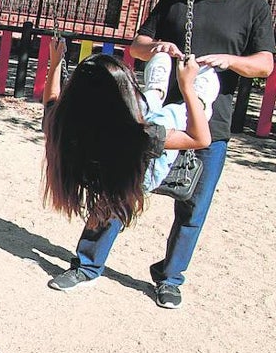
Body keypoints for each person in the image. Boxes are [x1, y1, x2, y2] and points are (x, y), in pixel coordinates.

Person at [47, 0, 275, 308]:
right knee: (117, 189)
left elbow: (265, 64)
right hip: (146, 119)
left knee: (192, 206)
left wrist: (229, 61)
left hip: (209, 123)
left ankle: (170, 277)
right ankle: (87, 264)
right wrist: (157, 47)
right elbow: (136, 46)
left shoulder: (254, 7)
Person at [41, 35, 217, 233]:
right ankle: (201, 100)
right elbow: (200, 139)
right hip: (141, 176)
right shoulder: (138, 136)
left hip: (103, 162)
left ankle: (156, 91)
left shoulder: (63, 121)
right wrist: (188, 87)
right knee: (168, 116)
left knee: (141, 107)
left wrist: (55, 63)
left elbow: (52, 100)